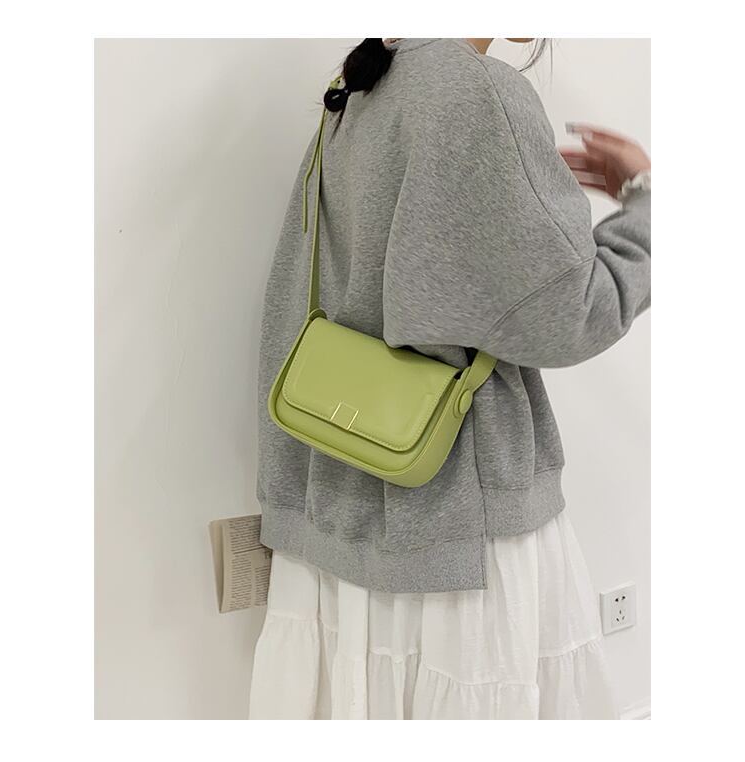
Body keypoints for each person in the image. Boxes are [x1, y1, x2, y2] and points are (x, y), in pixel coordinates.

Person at [248, 38, 651, 720]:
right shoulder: (473, 90)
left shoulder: (361, 83)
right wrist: (650, 201)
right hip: (457, 532)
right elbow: (575, 312)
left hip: (344, 512)